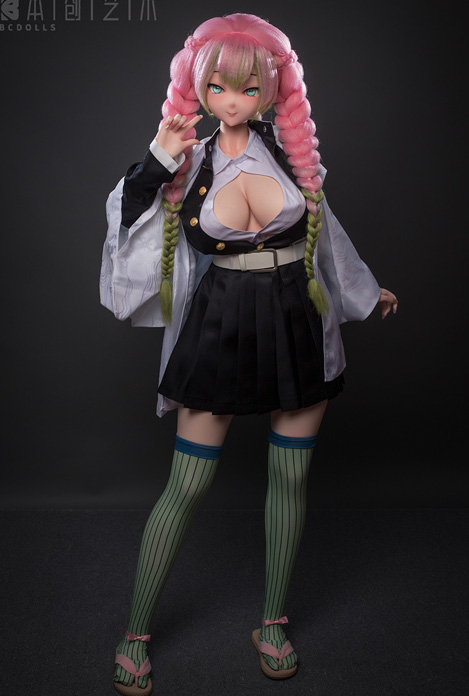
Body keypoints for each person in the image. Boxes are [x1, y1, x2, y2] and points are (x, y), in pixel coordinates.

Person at [100, 12, 398, 695]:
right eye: (217, 87)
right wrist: (157, 159)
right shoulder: (190, 161)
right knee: (187, 484)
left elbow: (324, 232)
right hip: (220, 325)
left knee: (290, 479)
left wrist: (362, 289)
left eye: (247, 87)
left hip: (297, 321)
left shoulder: (291, 155)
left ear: (272, 89)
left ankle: (272, 623)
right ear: (198, 87)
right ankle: (135, 633)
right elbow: (128, 218)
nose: (231, 101)